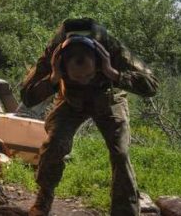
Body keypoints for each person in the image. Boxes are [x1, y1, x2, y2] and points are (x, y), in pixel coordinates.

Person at [21, 18, 159, 216]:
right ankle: (43, 200)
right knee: (54, 144)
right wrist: (53, 79)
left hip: (108, 97)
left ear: (99, 61)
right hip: (70, 99)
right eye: (77, 77)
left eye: (88, 76)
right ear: (62, 65)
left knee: (120, 152)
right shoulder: (54, 52)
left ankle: (125, 211)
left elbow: (152, 84)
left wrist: (114, 74)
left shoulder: (110, 47)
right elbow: (27, 96)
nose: (84, 81)